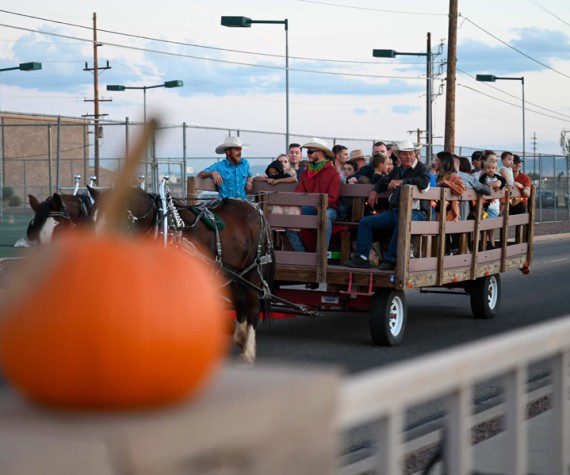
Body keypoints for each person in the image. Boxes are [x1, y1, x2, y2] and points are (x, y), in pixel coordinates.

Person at [345, 140, 430, 270]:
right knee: (366, 222)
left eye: (411, 153)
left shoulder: (421, 168)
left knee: (401, 222)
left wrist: (401, 182)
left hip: (416, 212)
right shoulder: (397, 170)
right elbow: (384, 181)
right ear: (399, 156)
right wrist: (374, 191)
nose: (408, 157)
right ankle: (361, 257)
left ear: (414, 154)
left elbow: (423, 182)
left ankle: (391, 260)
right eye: (404, 154)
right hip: (397, 211)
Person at [286, 138, 341, 252]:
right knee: (287, 217)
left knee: (324, 216)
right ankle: (300, 253)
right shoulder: (307, 172)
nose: (308, 154)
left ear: (320, 153)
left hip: (329, 208)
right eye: (308, 152)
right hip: (310, 207)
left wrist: (318, 205)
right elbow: (299, 193)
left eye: (310, 152)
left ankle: (321, 255)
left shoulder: (333, 172)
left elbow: (332, 198)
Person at [478, 156, 507, 248]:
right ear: (485, 168)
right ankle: (486, 244)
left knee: (490, 227)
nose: (491, 170)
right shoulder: (483, 177)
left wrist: (495, 184)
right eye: (488, 168)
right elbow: (479, 186)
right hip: (484, 207)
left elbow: (502, 182)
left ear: (496, 169)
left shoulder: (498, 178)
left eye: (493, 168)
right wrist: (490, 185)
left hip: (494, 207)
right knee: (485, 227)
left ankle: (490, 244)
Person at [454, 155, 492, 220]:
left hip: (459, 212)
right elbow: (487, 191)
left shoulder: (465, 177)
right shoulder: (470, 178)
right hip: (473, 211)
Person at [436, 152, 466, 222]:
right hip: (438, 213)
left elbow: (460, 189)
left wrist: (445, 182)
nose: (435, 162)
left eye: (437, 160)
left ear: (443, 162)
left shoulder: (454, 176)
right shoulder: (438, 176)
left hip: (450, 216)